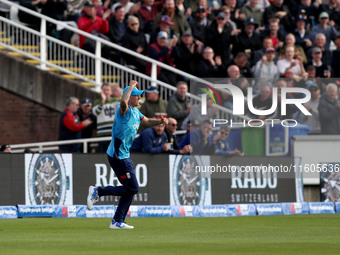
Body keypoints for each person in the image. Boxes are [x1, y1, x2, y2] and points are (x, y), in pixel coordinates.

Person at [87, 80, 169, 229]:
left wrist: (160, 122)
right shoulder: (123, 110)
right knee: (133, 188)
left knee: (130, 188)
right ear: (130, 96)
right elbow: (123, 101)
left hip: (124, 155)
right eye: (136, 96)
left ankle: (117, 221)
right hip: (117, 156)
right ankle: (98, 191)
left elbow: (147, 121)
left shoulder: (136, 112)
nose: (139, 98)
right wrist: (131, 86)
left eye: (139, 96)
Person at [92, 84, 120, 152]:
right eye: (104, 90)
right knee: (102, 154)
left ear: (111, 92)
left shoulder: (116, 101)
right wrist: (103, 102)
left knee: (115, 154)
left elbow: (124, 109)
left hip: (114, 132)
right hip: (102, 133)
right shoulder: (97, 102)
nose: (106, 92)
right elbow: (96, 113)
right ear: (101, 91)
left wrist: (121, 95)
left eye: (108, 90)